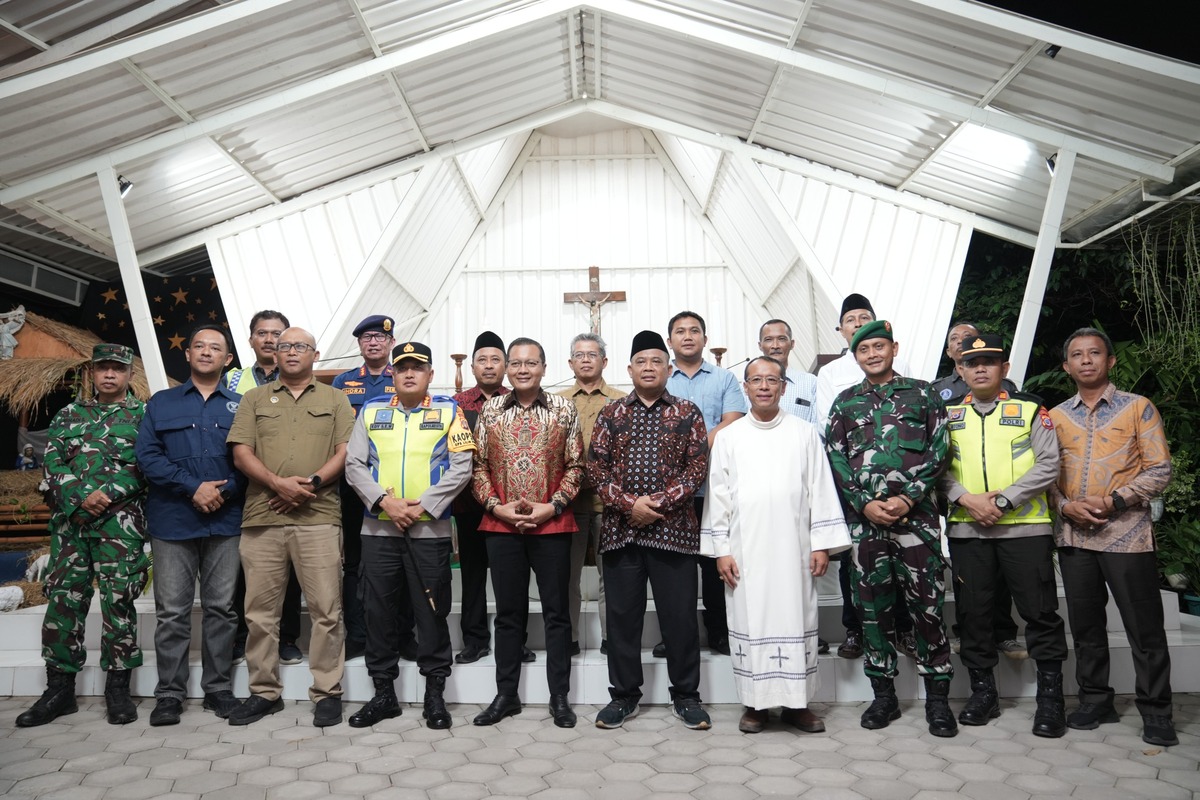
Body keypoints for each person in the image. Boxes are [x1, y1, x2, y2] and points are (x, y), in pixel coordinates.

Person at [703, 356, 851, 734]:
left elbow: (820, 488)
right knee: (750, 620)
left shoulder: (803, 433)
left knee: (797, 616)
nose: (764, 386)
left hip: (794, 549)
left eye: (772, 380)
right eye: (756, 380)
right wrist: (721, 550)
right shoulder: (729, 438)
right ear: (746, 388)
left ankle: (797, 705)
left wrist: (821, 544)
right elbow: (717, 497)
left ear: (784, 387)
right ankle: (754, 705)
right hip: (745, 551)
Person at [825, 320, 956, 737]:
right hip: (866, 528)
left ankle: (938, 701)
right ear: (855, 356)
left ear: (894, 348)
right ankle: (884, 698)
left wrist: (908, 497)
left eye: (879, 347)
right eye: (864, 350)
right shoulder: (845, 404)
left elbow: (941, 448)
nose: (873, 354)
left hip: (916, 522)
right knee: (872, 613)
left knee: (928, 608)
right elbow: (835, 457)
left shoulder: (923, 393)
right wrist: (864, 503)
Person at [1049, 327, 1176, 747]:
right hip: (1074, 536)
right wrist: (1065, 505)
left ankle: (1156, 711)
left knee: (1145, 629)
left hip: (1127, 534)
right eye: (1077, 355)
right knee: (1086, 627)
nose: (1086, 360)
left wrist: (1115, 501)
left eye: (1095, 353)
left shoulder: (1138, 408)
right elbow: (1044, 475)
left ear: (1110, 361)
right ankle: (1095, 701)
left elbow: (1160, 469)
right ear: (1066, 366)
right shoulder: (1055, 416)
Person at [939, 334, 1067, 737]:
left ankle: (1050, 700)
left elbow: (1049, 464)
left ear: (1004, 369)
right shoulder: (946, 415)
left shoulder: (1030, 409)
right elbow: (935, 469)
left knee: (1040, 613)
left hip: (1024, 530)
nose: (980, 368)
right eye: (971, 362)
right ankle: (983, 695)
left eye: (989, 361)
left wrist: (1005, 502)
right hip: (967, 530)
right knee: (972, 615)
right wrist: (967, 499)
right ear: (959, 369)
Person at [226, 327, 355, 728]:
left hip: (318, 517)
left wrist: (310, 485)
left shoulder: (336, 399)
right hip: (263, 516)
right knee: (260, 613)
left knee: (326, 610)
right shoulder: (253, 398)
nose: (292, 351)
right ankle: (264, 692)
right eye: (285, 346)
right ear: (275, 355)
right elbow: (241, 452)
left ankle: (327, 692)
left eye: (300, 346)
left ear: (315, 355)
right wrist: (278, 483)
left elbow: (346, 452)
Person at [345, 341, 476, 729]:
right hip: (379, 530)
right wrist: (387, 503)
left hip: (429, 530)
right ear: (393, 373)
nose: (409, 373)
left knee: (432, 613)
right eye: (402, 367)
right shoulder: (370, 411)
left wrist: (420, 506)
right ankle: (383, 694)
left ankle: (434, 695)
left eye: (417, 367)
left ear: (430, 375)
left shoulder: (450, 412)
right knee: (378, 611)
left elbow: (462, 466)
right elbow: (354, 464)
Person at [16, 344, 149, 728]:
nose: (110, 375)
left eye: (117, 369)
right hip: (72, 526)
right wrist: (80, 496)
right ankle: (59, 690)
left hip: (120, 527)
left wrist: (106, 494)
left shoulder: (143, 416)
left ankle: (118, 690)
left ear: (128, 374)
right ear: (92, 372)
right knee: (63, 604)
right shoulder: (69, 414)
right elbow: (52, 462)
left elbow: (147, 464)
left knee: (118, 604)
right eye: (103, 368)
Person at [589, 330, 711, 731]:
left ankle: (687, 697)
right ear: (629, 368)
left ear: (668, 367)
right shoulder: (611, 414)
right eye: (641, 361)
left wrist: (655, 505)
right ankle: (623, 697)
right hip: (622, 533)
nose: (648, 367)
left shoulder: (687, 412)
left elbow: (697, 468)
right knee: (623, 620)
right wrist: (629, 506)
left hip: (673, 533)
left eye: (656, 361)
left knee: (679, 618)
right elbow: (596, 468)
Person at [136, 324, 247, 726]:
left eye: (215, 348)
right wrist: (193, 488)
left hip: (226, 520)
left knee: (221, 609)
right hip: (173, 521)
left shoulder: (241, 405)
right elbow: (147, 456)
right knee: (172, 613)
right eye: (198, 345)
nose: (205, 352)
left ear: (227, 359)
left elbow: (251, 460)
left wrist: (223, 492)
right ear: (187, 354)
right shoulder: (161, 403)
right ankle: (169, 694)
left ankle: (218, 689)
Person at [471, 337, 584, 728]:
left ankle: (559, 697)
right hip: (500, 526)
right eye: (515, 363)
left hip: (551, 525)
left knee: (556, 614)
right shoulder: (488, 412)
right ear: (507, 369)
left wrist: (551, 506)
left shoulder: (564, 410)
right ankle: (506, 695)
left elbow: (576, 467)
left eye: (530, 363)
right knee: (508, 614)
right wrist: (495, 507)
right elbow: (478, 467)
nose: (522, 369)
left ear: (544, 368)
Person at [815, 294, 915, 661]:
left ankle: (904, 628)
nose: (857, 324)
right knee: (853, 560)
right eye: (851, 319)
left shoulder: (900, 364)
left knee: (902, 555)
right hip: (852, 484)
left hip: (900, 483)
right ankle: (855, 629)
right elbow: (830, 427)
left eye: (865, 317)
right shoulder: (830, 374)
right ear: (840, 329)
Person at [931, 321, 1024, 659]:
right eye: (954, 339)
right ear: (953, 358)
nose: (961, 342)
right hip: (959, 497)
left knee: (1001, 575)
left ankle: (1004, 632)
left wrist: (1003, 497)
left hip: (1004, 499)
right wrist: (962, 496)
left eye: (966, 337)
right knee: (968, 578)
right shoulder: (937, 390)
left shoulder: (1009, 388)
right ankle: (966, 632)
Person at [664, 310, 745, 657]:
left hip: (714, 487)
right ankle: (675, 637)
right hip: (673, 489)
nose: (687, 336)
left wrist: (695, 446)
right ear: (670, 341)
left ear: (704, 339)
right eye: (679, 331)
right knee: (675, 567)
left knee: (715, 563)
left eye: (694, 330)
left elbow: (734, 420)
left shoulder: (724, 379)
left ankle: (719, 632)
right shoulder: (662, 379)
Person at [224, 310, 302, 666]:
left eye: (277, 334)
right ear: (251, 339)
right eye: (262, 333)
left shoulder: (300, 378)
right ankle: (243, 636)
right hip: (242, 486)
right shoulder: (231, 380)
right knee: (246, 568)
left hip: (288, 488)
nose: (270, 340)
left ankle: (287, 638)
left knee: (290, 565)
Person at [332, 314, 409, 663]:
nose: (374, 342)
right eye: (366, 338)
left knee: (404, 563)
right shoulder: (342, 383)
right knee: (354, 565)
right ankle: (358, 636)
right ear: (359, 345)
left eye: (380, 337)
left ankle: (404, 637)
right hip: (354, 486)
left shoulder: (405, 378)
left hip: (398, 487)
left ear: (391, 343)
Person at [557, 333, 625, 655]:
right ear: (570, 362)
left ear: (604, 361)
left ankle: (612, 638)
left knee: (608, 576)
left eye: (592, 354)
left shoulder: (621, 400)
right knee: (566, 576)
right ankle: (568, 638)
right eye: (579, 355)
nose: (586, 359)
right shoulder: (555, 401)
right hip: (567, 504)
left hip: (608, 504)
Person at [451, 331, 514, 664]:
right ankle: (474, 640)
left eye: (495, 359)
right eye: (482, 360)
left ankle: (514, 640)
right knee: (473, 576)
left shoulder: (519, 399)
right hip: (470, 504)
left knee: (509, 577)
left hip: (509, 505)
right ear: (473, 366)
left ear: (506, 365)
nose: (489, 366)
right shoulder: (458, 405)